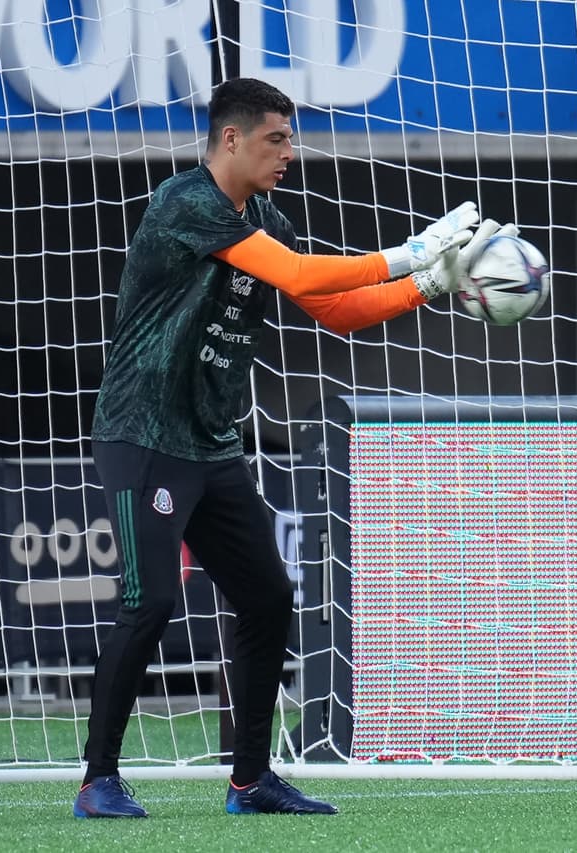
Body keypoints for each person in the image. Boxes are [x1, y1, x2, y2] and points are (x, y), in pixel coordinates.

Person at [77, 76, 508, 818]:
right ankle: (98, 780)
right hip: (143, 435)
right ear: (232, 139)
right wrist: (410, 250)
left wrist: (427, 284)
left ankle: (250, 780)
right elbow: (305, 273)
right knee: (149, 605)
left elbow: (331, 308)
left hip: (210, 443)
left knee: (269, 597)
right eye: (277, 139)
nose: (290, 154)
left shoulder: (262, 214)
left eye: (291, 138)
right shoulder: (185, 203)